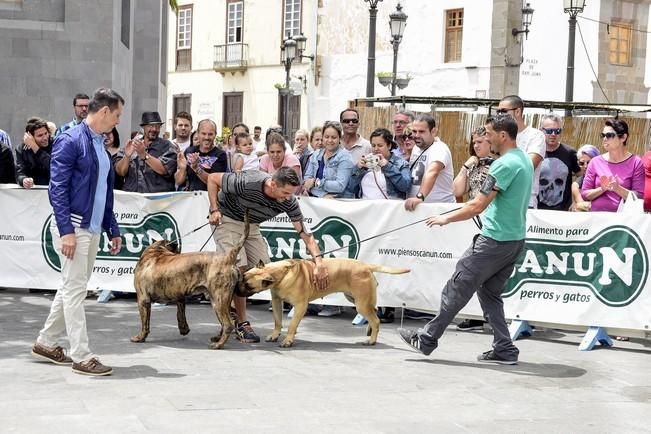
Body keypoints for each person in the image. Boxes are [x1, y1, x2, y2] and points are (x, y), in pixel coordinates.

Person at [398, 114, 533, 365]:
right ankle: (504, 348)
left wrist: (445, 219)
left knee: (456, 288)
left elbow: (477, 206)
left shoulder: (503, 165)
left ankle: (427, 339)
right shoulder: (522, 158)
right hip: (514, 241)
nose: (486, 138)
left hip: (494, 240)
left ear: (502, 136)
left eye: (490, 134)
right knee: (490, 294)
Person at [31, 87, 124, 376]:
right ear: (105, 111)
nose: (119, 121)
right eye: (118, 115)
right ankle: (81, 356)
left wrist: (113, 228)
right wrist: (66, 231)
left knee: (73, 286)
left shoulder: (100, 143)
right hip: (74, 227)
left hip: (92, 227)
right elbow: (56, 189)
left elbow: (104, 192)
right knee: (74, 290)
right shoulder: (70, 140)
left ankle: (46, 342)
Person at [206, 167, 329, 343]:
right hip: (227, 220)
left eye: (291, 193)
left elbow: (305, 233)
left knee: (263, 271)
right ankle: (242, 323)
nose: (288, 198)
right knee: (239, 271)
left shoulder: (289, 201)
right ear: (272, 184)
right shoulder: (247, 182)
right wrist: (214, 209)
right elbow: (212, 178)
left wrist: (319, 262)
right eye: (285, 192)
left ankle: (229, 308)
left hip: (252, 224)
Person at [581, 118, 644, 212]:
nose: (604, 139)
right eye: (603, 135)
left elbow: (639, 196)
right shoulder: (595, 162)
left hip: (623, 222)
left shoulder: (636, 162)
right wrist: (602, 189)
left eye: (609, 135)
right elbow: (584, 194)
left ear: (623, 137)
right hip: (596, 219)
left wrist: (617, 189)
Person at [497, 95, 545, 208]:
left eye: (503, 111)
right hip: (500, 199)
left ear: (517, 111)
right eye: (498, 112)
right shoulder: (499, 135)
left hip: (524, 202)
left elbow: (528, 166)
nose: (499, 115)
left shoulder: (535, 136)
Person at [115, 111, 177, 193]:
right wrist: (126, 156)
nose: (154, 129)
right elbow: (121, 172)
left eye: (157, 126)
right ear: (143, 127)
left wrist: (144, 155)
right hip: (133, 199)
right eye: (151, 126)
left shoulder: (167, 146)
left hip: (156, 200)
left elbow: (164, 169)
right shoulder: (133, 144)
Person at [404, 114, 455, 211]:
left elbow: (432, 172)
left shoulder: (440, 148)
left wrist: (419, 197)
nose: (417, 135)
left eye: (422, 132)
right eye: (414, 131)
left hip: (439, 209)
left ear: (433, 131)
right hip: (418, 208)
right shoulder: (416, 148)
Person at [345, 128, 411, 200]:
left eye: (380, 145)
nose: (376, 149)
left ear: (389, 146)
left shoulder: (401, 163)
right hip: (365, 208)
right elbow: (351, 188)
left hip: (389, 209)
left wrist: (387, 166)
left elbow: (405, 187)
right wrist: (358, 169)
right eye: (373, 145)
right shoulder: (366, 161)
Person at [537, 114, 580, 210]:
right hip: (536, 213)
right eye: (549, 131)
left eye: (557, 131)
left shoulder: (570, 153)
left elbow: (581, 175)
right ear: (541, 131)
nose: (553, 134)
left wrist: (576, 198)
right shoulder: (535, 152)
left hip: (563, 213)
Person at [303, 121, 354, 199]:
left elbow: (340, 186)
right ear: (323, 137)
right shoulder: (316, 155)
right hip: (317, 202)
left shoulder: (345, 157)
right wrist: (322, 195)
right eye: (326, 137)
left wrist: (317, 182)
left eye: (334, 137)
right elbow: (307, 181)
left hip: (339, 202)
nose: (330, 140)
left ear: (340, 138)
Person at [175, 119, 228, 191]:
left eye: (210, 134)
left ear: (215, 134)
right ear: (198, 133)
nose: (207, 137)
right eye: (203, 134)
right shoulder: (189, 151)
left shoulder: (220, 155)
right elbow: (178, 182)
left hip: (209, 198)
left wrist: (196, 168)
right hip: (191, 198)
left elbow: (215, 182)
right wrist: (182, 168)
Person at [15, 117, 52, 189]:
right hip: (32, 194)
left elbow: (53, 166)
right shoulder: (22, 149)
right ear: (30, 137)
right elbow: (19, 172)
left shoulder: (56, 144)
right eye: (40, 135)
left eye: (46, 133)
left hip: (53, 190)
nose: (45, 138)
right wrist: (23, 180)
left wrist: (35, 148)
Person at [570, 144, 600, 212]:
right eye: (581, 163)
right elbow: (582, 206)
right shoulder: (576, 185)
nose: (585, 166)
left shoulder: (602, 179)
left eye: (589, 162)